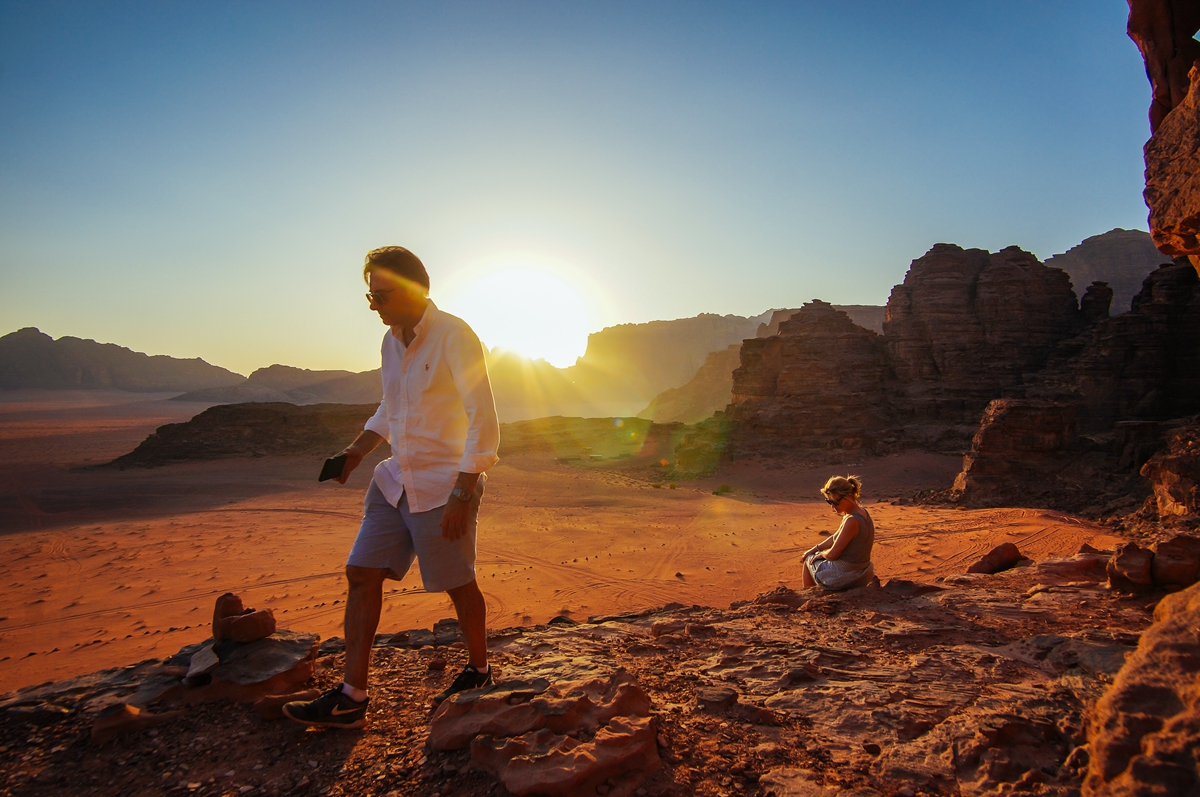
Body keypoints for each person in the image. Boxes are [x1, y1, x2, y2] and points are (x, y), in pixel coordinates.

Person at [284, 246, 500, 729]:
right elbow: (389, 408)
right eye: (370, 296)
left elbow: (482, 418)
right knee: (361, 573)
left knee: (457, 583)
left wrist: (464, 494)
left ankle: (479, 669)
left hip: (445, 485)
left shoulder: (455, 336)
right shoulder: (390, 342)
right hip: (394, 479)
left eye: (380, 296)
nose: (373, 306)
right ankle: (351, 696)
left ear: (412, 289)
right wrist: (355, 453)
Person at [801, 475, 875, 591]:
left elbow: (832, 555)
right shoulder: (862, 512)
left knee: (808, 560)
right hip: (864, 573)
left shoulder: (852, 521)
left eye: (835, 502)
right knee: (812, 555)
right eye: (829, 502)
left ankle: (809, 595)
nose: (832, 507)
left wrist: (819, 555)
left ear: (849, 496)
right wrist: (814, 549)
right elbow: (835, 537)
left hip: (847, 576)